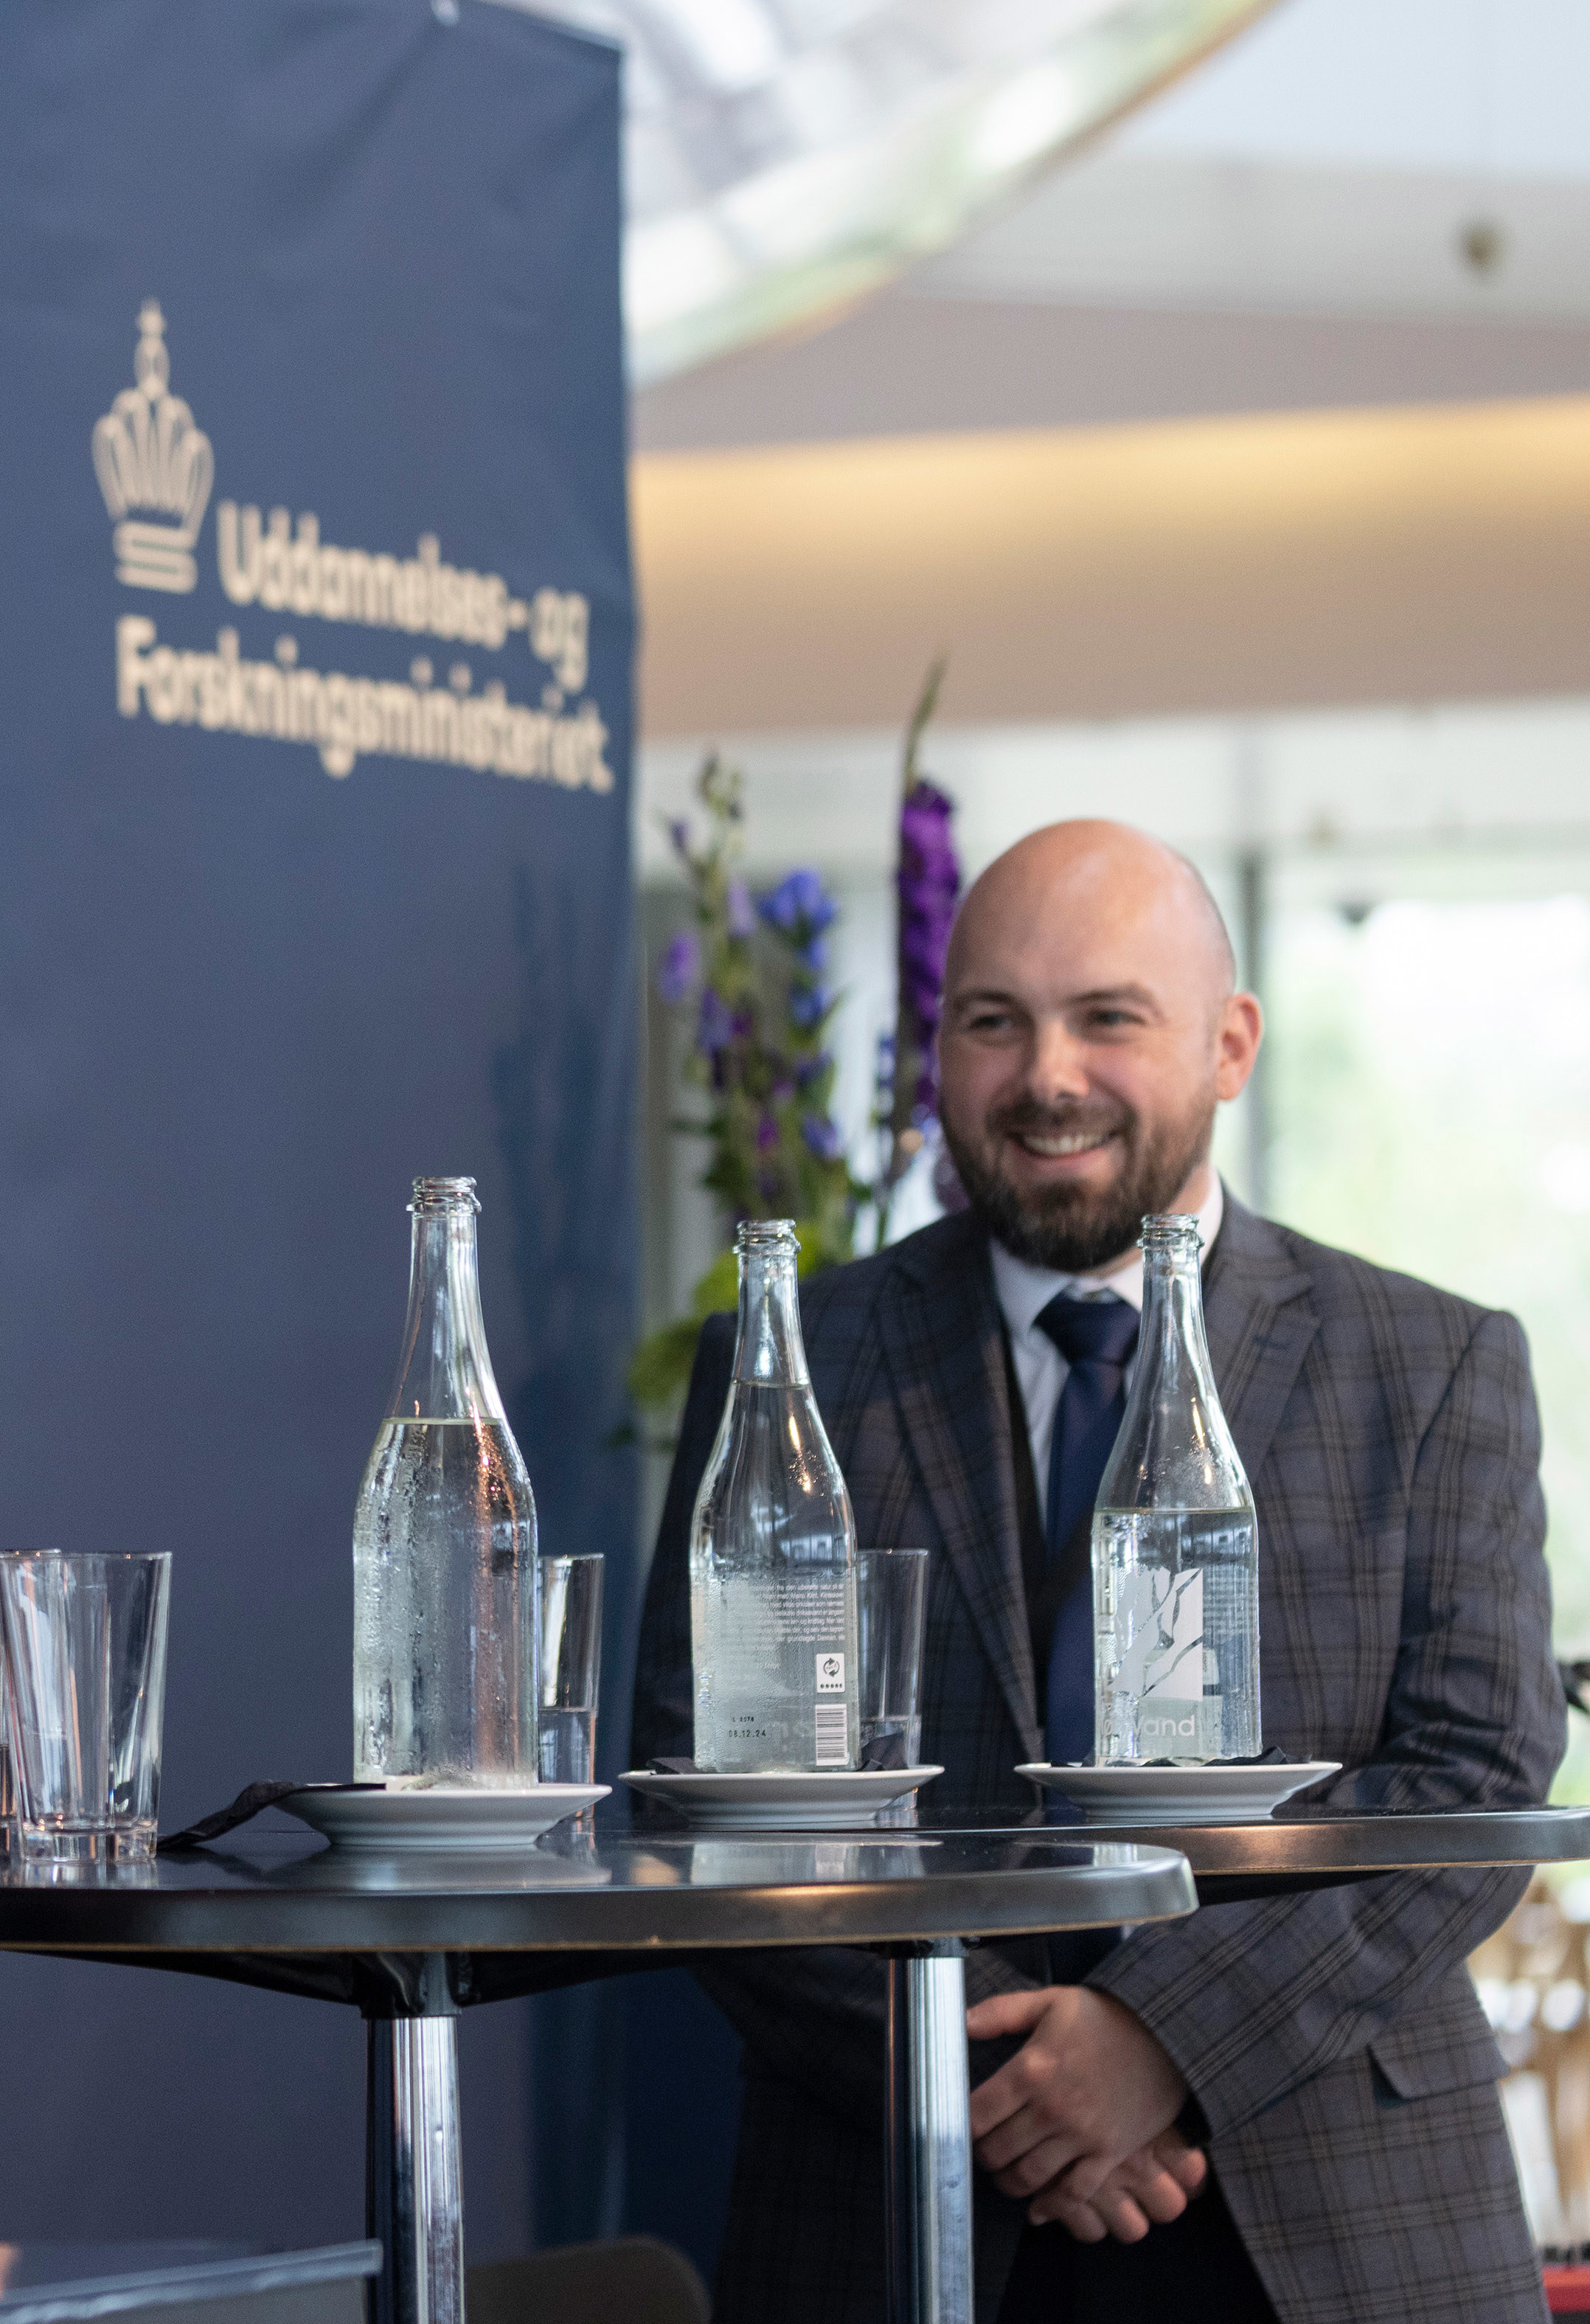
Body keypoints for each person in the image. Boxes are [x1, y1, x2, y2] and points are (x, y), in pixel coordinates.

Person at [631, 819, 1556, 2324]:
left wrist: (1159, 2040)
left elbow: (1475, 1778)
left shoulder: (1434, 1363)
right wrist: (1005, 2076)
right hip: (892, 2199)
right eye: (993, 1021)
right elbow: (700, 1790)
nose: (1046, 1075)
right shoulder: (790, 1358)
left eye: (1107, 1016)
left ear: (1231, 1042)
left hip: (1338, 2216)